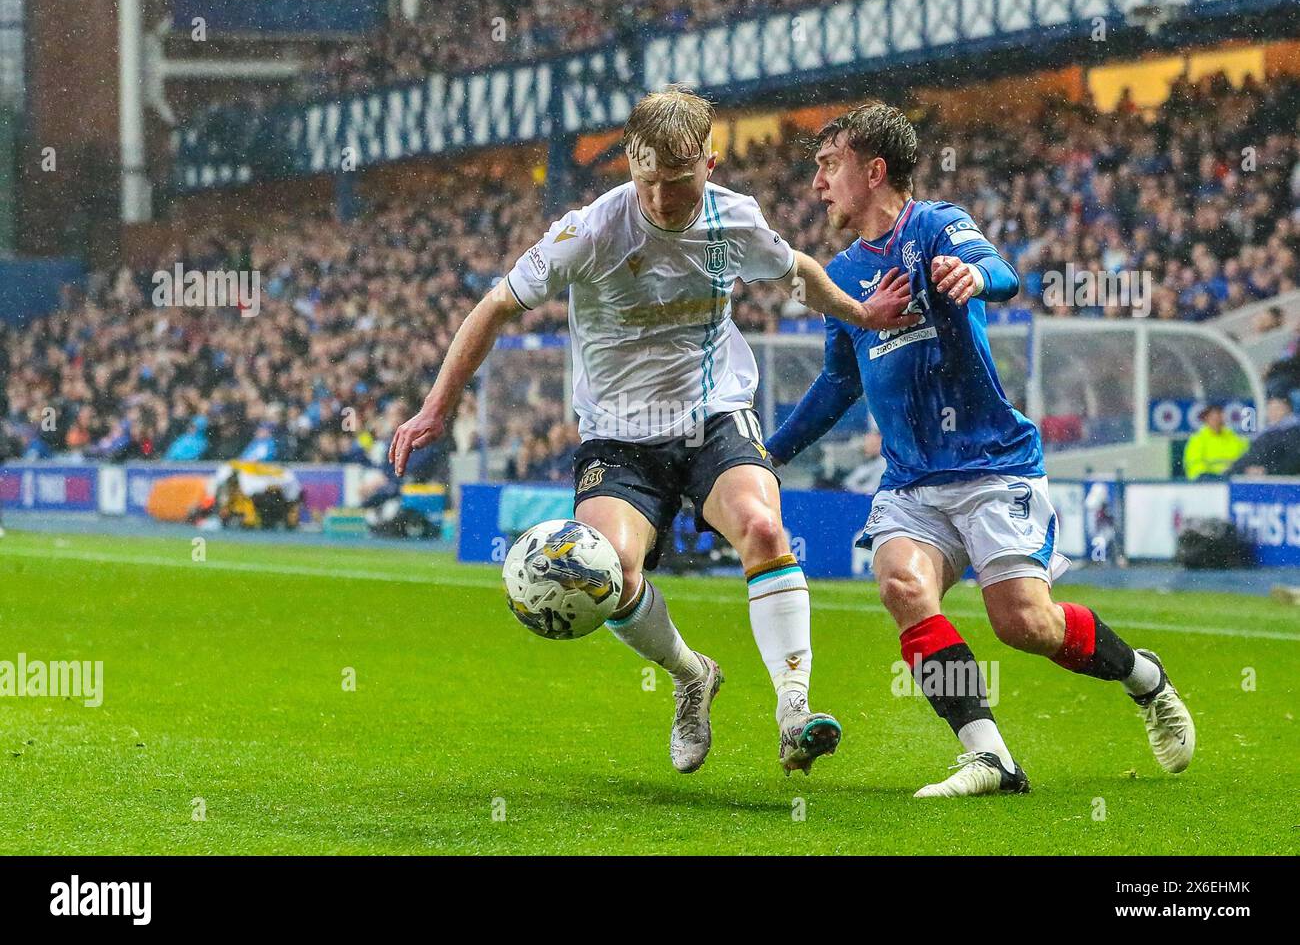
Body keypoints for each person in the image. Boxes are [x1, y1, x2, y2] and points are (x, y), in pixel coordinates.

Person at [389, 85, 913, 775]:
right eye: (649, 181)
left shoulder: (735, 220)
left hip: (714, 416)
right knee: (606, 573)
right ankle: (692, 674)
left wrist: (860, 312)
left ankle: (793, 710)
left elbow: (797, 274)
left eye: (680, 181)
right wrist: (437, 407)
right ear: (631, 164)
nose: (663, 199)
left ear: (711, 164)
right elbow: (495, 307)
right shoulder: (591, 231)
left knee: (762, 527)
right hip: (618, 438)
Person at [767, 103, 1195, 796]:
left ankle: (1143, 677)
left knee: (1025, 624)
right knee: (902, 584)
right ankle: (990, 755)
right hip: (911, 480)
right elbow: (839, 381)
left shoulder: (935, 225)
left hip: (992, 464)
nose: (818, 183)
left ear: (873, 171)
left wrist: (975, 279)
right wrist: (770, 451)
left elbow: (999, 270)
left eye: (829, 164)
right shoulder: (839, 273)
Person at [1233, 395, 1300, 476]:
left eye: (1277, 409)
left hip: (1284, 483)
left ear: (1288, 410)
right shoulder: (1264, 434)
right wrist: (1243, 469)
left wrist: (1266, 471)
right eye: (1270, 409)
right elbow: (1250, 457)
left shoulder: (1294, 432)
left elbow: (1293, 462)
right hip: (1261, 481)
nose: (1273, 413)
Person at [1183, 403, 1249, 480]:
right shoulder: (1197, 439)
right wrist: (1211, 477)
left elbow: (1245, 459)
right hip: (1208, 482)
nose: (1217, 421)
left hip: (1233, 478)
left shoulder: (1235, 438)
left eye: (1219, 417)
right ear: (1206, 419)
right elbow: (1194, 466)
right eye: (1214, 418)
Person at [841, 430, 887, 495]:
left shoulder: (885, 464)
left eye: (872, 444)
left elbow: (873, 489)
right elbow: (848, 482)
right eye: (867, 443)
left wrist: (855, 488)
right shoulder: (868, 462)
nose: (867, 447)